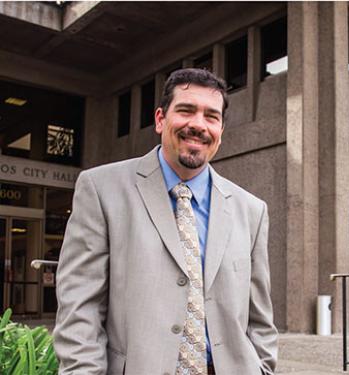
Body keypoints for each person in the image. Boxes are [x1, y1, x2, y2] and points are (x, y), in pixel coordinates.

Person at [54, 68, 278, 375]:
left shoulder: (252, 210)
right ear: (160, 119)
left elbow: (259, 317)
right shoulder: (100, 189)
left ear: (221, 129)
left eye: (211, 116)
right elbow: (81, 308)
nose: (198, 124)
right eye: (186, 110)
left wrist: (263, 368)